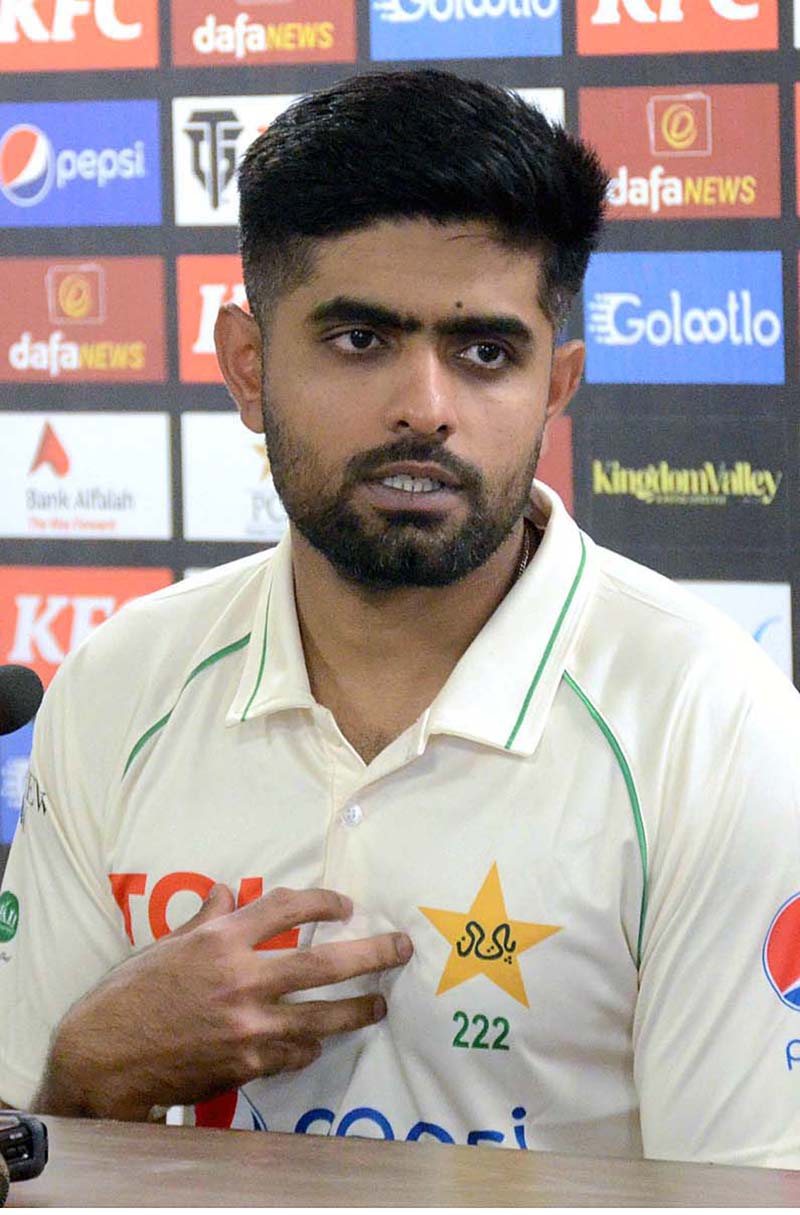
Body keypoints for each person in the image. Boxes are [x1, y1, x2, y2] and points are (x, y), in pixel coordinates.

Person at [1, 68, 799, 1167]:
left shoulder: (715, 725)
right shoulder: (124, 680)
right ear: (246, 367)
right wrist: (90, 1076)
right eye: (358, 340)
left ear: (556, 384)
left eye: (484, 352)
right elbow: (24, 1144)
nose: (424, 407)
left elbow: (748, 1197)